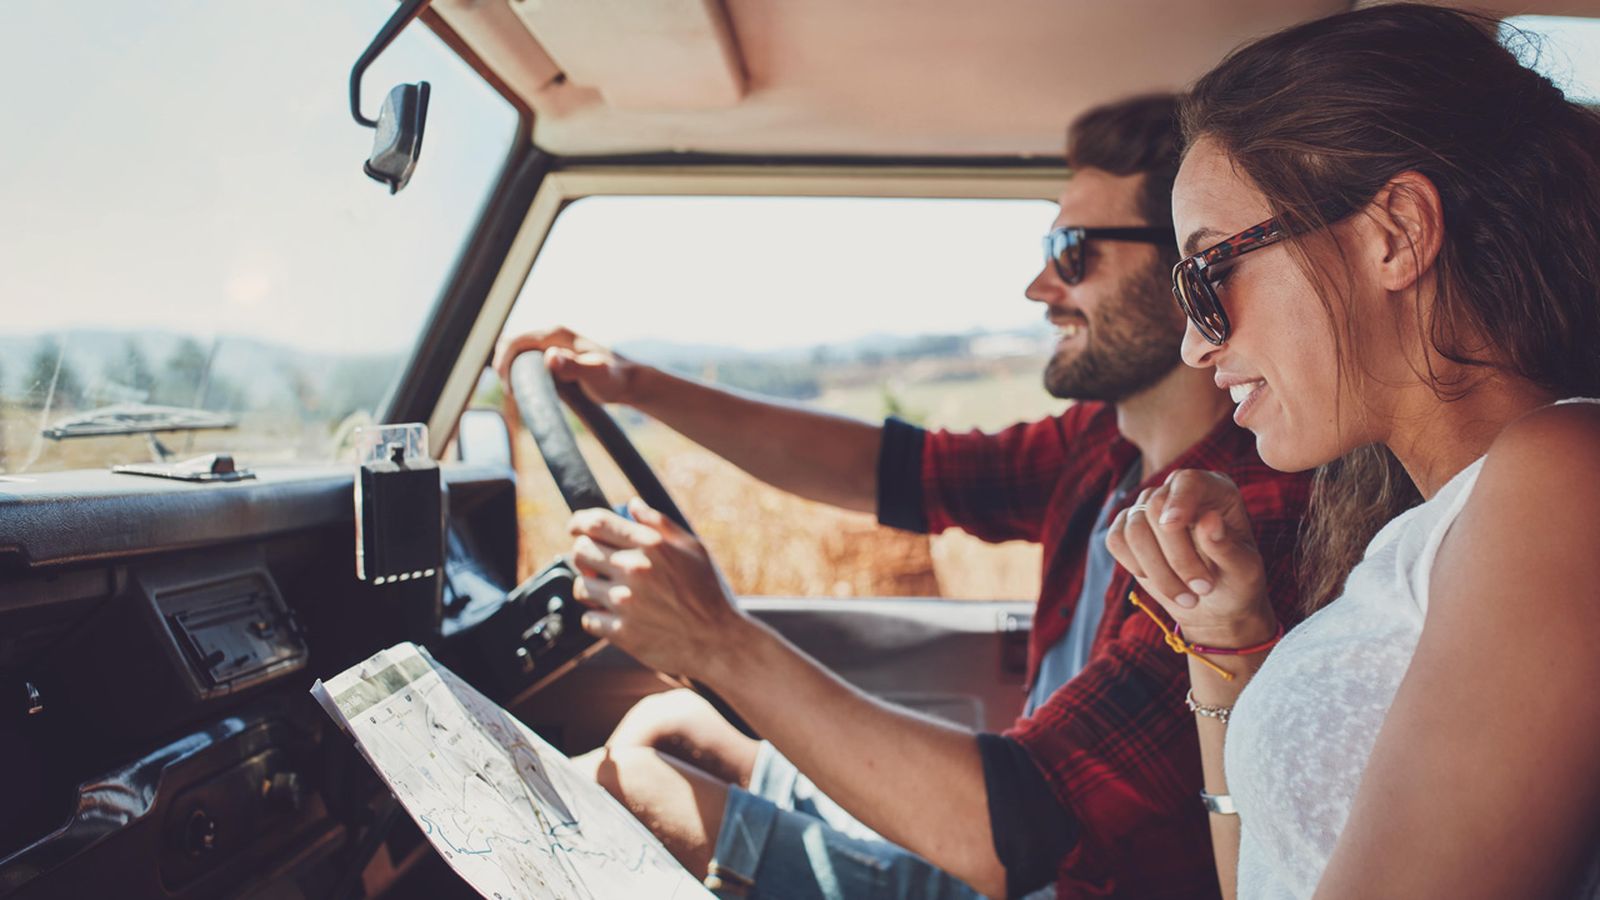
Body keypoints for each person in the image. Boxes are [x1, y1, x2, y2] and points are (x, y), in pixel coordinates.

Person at [500, 95, 1311, 899]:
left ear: (1184, 274)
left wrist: (718, 639)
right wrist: (636, 384)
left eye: (1072, 253)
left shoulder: (1233, 522)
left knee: (628, 789)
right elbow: (886, 469)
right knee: (659, 727)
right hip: (1017, 842)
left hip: (1051, 876)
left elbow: (1021, 832)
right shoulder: (1103, 447)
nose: (1039, 287)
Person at [1103, 5, 1600, 899]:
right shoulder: (1430, 528)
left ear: (1396, 233)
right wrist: (1227, 634)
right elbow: (1268, 875)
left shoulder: (1563, 476)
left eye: (1208, 272)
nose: (1194, 345)